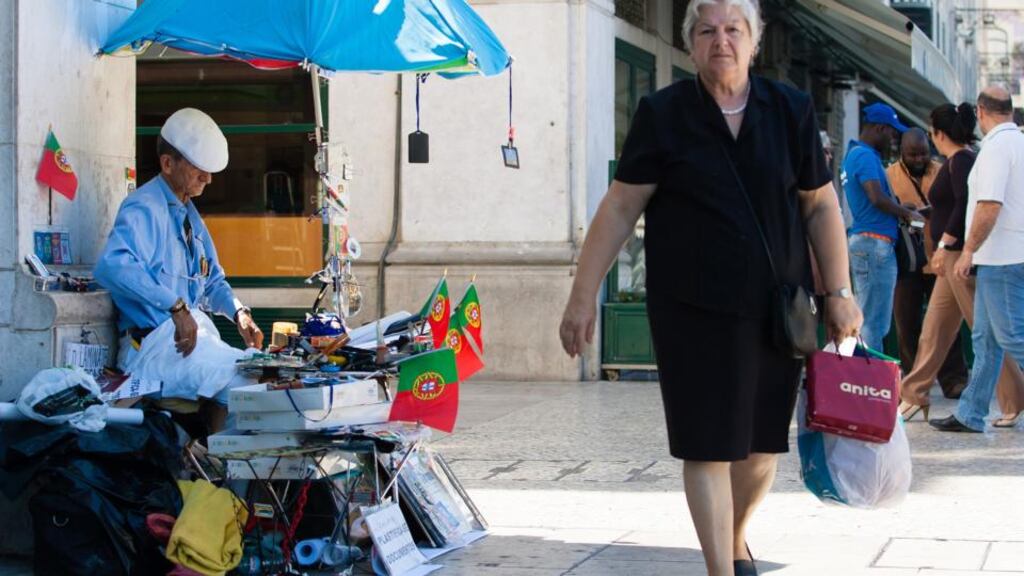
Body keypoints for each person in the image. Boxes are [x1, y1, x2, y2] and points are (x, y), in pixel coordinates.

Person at [558, 1, 861, 574]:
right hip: (690, 309)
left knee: (761, 447)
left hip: (777, 309)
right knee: (706, 443)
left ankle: (736, 536)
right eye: (706, 31)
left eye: (733, 29)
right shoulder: (663, 113)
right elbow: (621, 206)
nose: (720, 40)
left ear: (754, 41)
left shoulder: (790, 110)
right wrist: (582, 295)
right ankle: (721, 567)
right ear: (691, 44)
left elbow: (820, 205)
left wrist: (839, 291)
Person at [95, 108, 264, 433]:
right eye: (199, 170)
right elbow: (113, 265)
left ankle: (221, 468)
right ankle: (229, 472)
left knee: (259, 375)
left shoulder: (189, 214)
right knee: (247, 386)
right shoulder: (143, 207)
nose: (208, 179)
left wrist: (238, 312)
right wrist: (175, 306)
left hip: (195, 342)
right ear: (168, 163)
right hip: (154, 347)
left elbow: (212, 282)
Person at [931, 87, 1024, 432]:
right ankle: (970, 413)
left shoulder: (997, 148)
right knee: (985, 339)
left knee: (1013, 336)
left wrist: (968, 251)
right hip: (1007, 255)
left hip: (1002, 257)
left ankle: (970, 413)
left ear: (982, 112)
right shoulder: (1019, 142)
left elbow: (989, 205)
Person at [886, 128, 969, 397]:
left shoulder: (942, 170)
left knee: (947, 326)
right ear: (902, 153)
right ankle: (913, 382)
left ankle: (954, 380)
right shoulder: (890, 176)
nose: (919, 158)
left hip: (938, 260)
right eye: (913, 154)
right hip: (906, 260)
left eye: (923, 152)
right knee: (906, 322)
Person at [842, 103, 925, 351]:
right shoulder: (865, 156)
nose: (893, 138)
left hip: (867, 242)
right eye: (891, 132)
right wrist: (907, 213)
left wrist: (901, 207)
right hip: (875, 245)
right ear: (879, 128)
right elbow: (876, 197)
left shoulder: (854, 154)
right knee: (874, 322)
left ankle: (862, 377)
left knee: (867, 317)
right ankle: (870, 382)